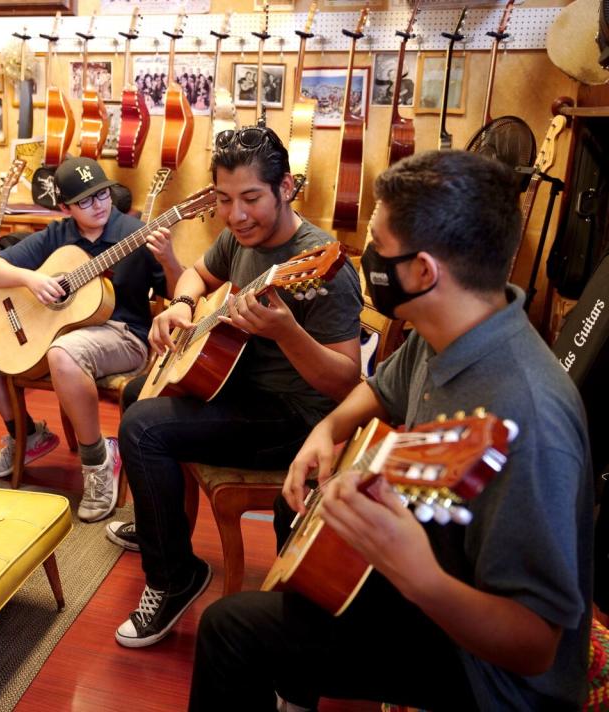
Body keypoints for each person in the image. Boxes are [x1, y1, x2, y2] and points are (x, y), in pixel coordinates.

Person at [188, 150, 593, 711]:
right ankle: (299, 680)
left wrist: (417, 574)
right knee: (301, 531)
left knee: (230, 630)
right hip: (428, 566)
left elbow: (533, 647)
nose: (367, 256)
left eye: (378, 244)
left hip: (486, 673)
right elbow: (380, 390)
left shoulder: (528, 417)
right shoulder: (449, 324)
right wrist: (325, 431)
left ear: (423, 271)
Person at [107, 125, 363, 648]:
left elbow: (345, 381)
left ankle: (175, 579)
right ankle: (162, 528)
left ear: (285, 188)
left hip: (292, 415)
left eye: (251, 199)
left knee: (142, 429)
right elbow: (196, 276)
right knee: (138, 392)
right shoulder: (238, 238)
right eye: (224, 200)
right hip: (239, 388)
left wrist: (287, 333)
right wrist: (180, 304)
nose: (236, 214)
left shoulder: (323, 265)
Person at [0, 157, 183, 522]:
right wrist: (31, 281)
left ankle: (97, 463)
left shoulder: (134, 232)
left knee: (64, 353)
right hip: (63, 331)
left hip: (122, 334)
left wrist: (170, 260)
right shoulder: (58, 235)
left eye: (103, 194)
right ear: (65, 208)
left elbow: (176, 292)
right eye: (86, 201)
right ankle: (26, 434)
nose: (99, 205)